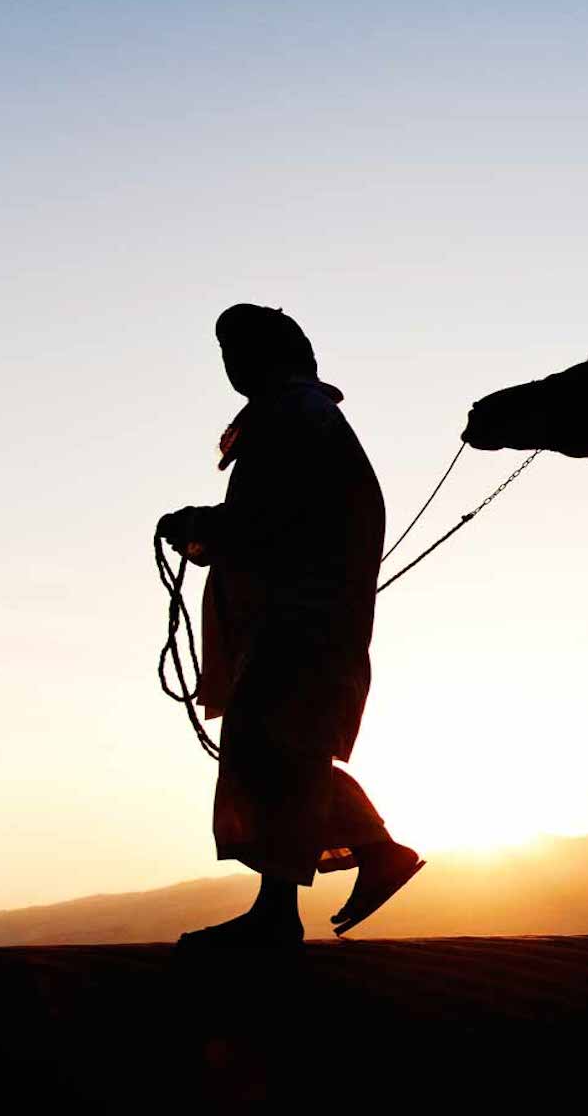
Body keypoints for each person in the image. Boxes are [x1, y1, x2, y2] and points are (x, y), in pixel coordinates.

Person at [159, 304, 422, 950]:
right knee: (279, 756)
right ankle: (363, 856)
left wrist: (198, 526)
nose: (231, 366)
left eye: (238, 351)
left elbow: (266, 521)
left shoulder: (294, 420)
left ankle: (279, 915)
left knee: (273, 750)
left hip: (299, 626)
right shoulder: (301, 418)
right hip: (304, 624)